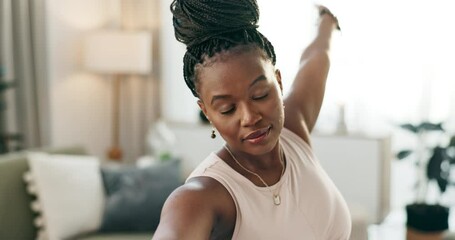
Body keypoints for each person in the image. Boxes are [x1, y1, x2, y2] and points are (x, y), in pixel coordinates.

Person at [153, 0, 351, 239]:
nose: (250, 117)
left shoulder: (293, 130)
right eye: (227, 109)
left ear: (278, 82)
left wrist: (326, 20)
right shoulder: (202, 196)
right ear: (206, 112)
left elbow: (317, 59)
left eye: (260, 95)